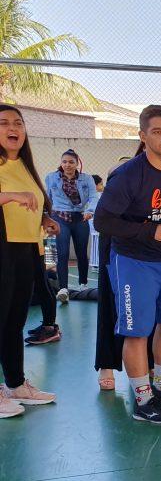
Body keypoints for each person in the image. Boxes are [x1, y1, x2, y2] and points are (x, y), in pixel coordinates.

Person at [93, 104, 161, 423]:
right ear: (143, 136)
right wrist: (150, 230)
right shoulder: (128, 176)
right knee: (137, 332)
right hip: (133, 261)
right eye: (157, 131)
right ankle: (143, 400)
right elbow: (102, 220)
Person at [0, 105, 58, 418]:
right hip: (3, 249)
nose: (13, 128)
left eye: (18, 123)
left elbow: (31, 203)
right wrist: (11, 196)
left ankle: (15, 384)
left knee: (14, 321)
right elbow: (12, 199)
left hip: (26, 249)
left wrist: (45, 219)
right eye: (5, 123)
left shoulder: (24, 164)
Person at [45, 148, 98, 302]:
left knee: (81, 252)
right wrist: (46, 217)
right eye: (64, 162)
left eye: (71, 162)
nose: (67, 165)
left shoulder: (86, 179)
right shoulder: (51, 177)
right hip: (59, 217)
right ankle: (63, 289)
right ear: (61, 163)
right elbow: (47, 197)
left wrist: (90, 210)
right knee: (62, 253)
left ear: (77, 164)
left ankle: (83, 283)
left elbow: (94, 196)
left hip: (80, 217)